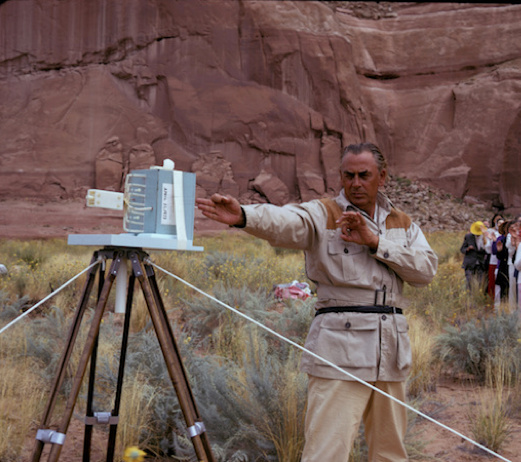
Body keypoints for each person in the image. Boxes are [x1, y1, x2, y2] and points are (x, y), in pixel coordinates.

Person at [197, 142, 438, 460]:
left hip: (391, 350)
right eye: (348, 175)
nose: (355, 183)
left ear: (383, 177)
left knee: (390, 452)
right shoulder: (323, 214)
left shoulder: (402, 223)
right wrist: (244, 216)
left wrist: (376, 242)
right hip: (340, 349)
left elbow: (426, 271)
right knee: (326, 450)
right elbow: (285, 221)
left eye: (364, 175)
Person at [461, 220, 488, 293]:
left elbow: (488, 250)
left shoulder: (485, 238)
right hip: (470, 263)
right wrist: (468, 249)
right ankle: (469, 299)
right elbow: (462, 249)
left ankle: (477, 297)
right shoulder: (468, 236)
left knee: (479, 283)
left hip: (481, 264)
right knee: (469, 282)